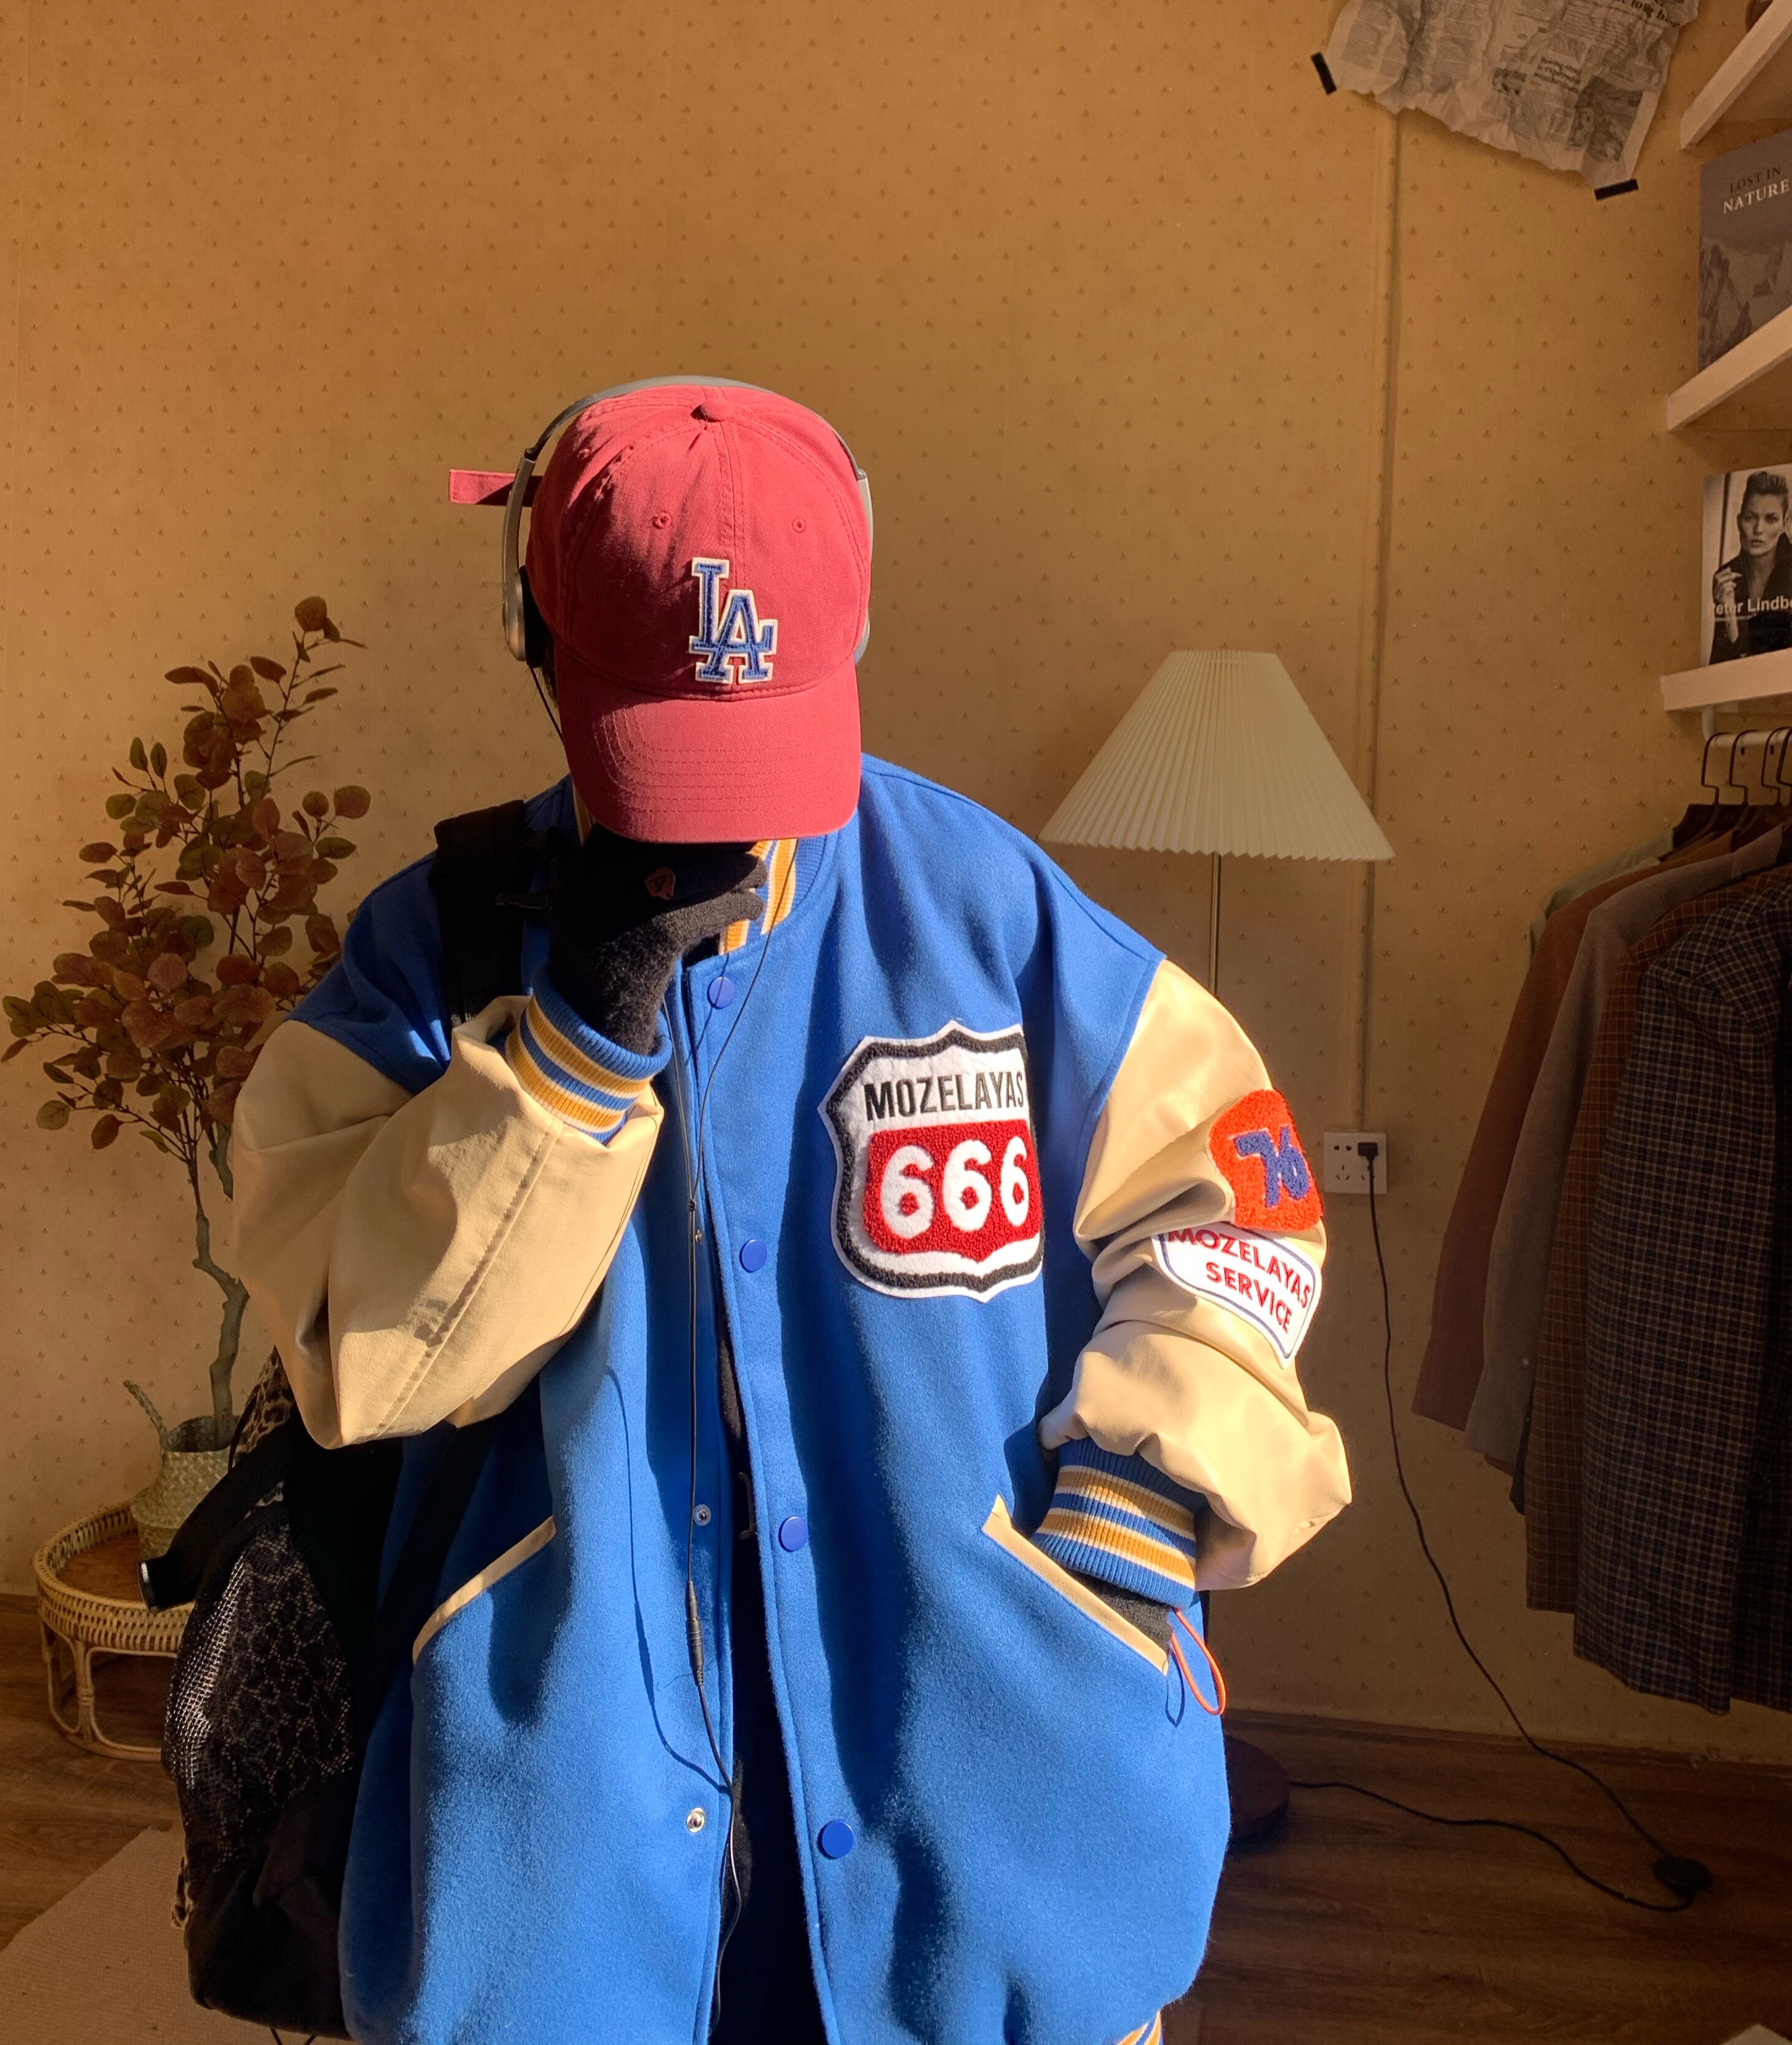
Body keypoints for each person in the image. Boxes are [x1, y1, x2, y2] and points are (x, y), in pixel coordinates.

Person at [229, 382, 1351, 2045]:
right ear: (536, 635)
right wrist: (566, 1056)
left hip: (983, 1772)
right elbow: (365, 1361)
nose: (720, 805)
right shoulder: (430, 955)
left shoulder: (997, 920)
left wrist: (1130, 1527)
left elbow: (1241, 1201)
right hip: (571, 1819)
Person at [1710, 470, 1792, 664]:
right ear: (1739, 522)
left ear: (1784, 524)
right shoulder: (1725, 578)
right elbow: (1719, 666)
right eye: (1750, 518)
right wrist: (1729, 615)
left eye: (1771, 519)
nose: (1758, 530)